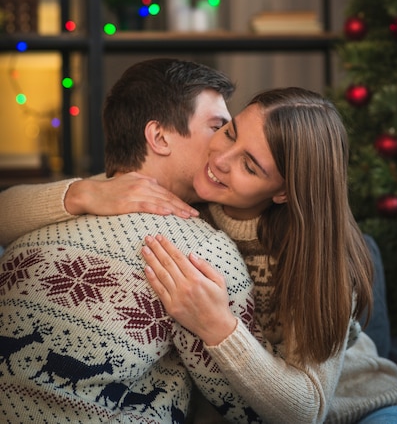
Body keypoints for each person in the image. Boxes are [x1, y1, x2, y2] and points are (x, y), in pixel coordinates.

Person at [1, 75, 397, 422]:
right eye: (228, 131)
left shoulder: (322, 260)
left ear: (284, 192)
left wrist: (218, 325)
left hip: (355, 403)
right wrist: (84, 194)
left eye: (250, 165)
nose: (220, 159)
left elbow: (308, 407)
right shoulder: (196, 197)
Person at [0, 58, 265, 423]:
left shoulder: (30, 229)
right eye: (218, 127)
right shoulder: (201, 254)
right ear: (158, 137)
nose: (222, 145)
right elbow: (250, 412)